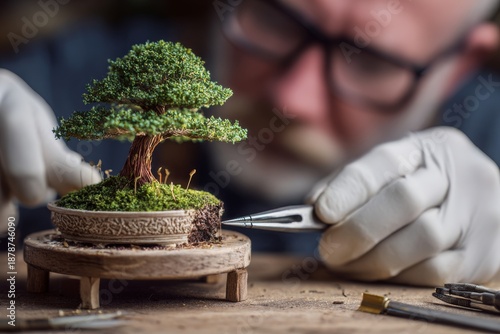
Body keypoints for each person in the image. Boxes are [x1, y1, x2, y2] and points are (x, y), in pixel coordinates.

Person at [1, 0, 500, 286]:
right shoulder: (82, 78)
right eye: (277, 19)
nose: (292, 99)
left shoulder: (487, 136)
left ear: (464, 62)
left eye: (370, 62)